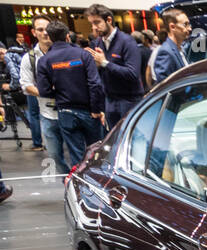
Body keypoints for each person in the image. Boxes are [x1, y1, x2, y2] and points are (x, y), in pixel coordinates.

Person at [36, 20, 104, 173]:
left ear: (51, 38)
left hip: (65, 111)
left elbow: (43, 91)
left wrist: (59, 92)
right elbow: (95, 84)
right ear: (68, 36)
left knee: (77, 156)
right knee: (96, 153)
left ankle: (80, 189)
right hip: (89, 111)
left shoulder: (44, 60)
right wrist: (96, 109)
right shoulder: (83, 54)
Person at [87, 4, 142, 131]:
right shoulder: (98, 43)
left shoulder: (127, 41)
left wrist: (105, 63)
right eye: (91, 23)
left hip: (129, 100)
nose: (94, 27)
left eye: (97, 22)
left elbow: (132, 74)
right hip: (109, 100)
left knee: (133, 138)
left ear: (109, 20)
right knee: (114, 140)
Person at [20, 16, 52, 152]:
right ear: (34, 32)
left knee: (79, 154)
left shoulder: (67, 52)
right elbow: (26, 85)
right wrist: (49, 93)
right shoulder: (29, 58)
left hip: (72, 111)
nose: (45, 32)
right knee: (55, 155)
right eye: (40, 29)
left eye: (48, 29)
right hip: (47, 112)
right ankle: (37, 142)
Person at [150, 9, 190, 85]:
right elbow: (164, 86)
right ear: (172, 27)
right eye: (185, 24)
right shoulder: (166, 52)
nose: (189, 28)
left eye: (189, 24)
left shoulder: (180, 48)